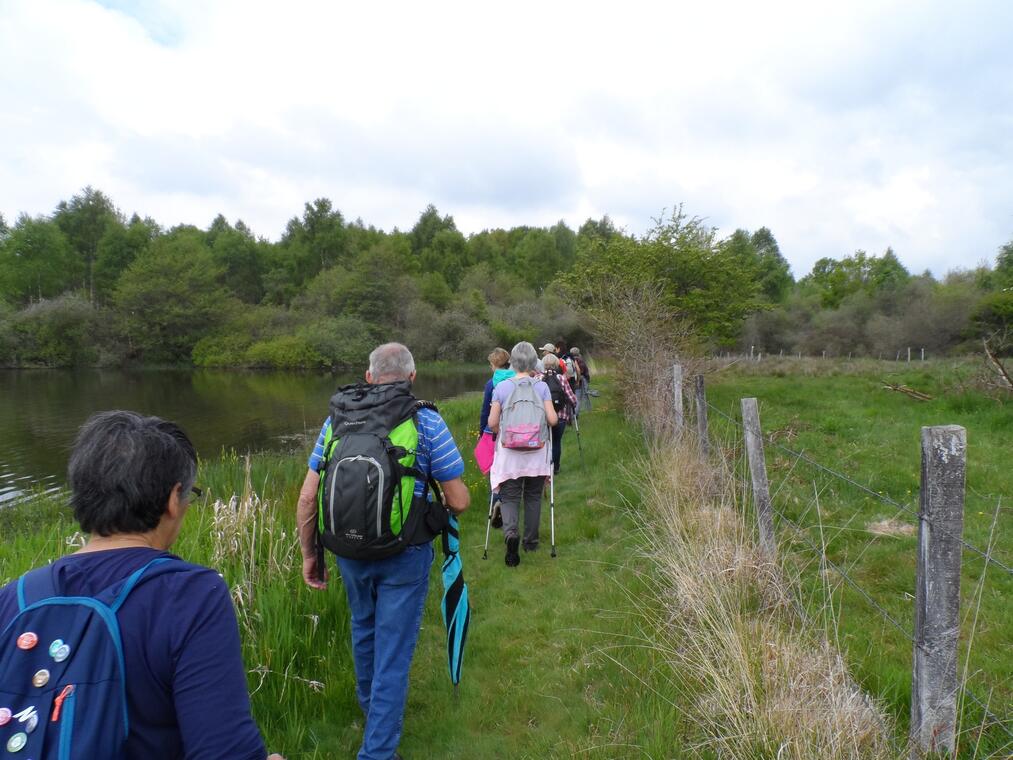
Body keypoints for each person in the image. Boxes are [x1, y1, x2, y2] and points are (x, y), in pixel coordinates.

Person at [0, 411, 282, 760]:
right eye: (189, 495)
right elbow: (224, 751)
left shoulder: (14, 597)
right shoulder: (191, 596)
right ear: (172, 499)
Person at [296, 342, 470, 760]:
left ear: (369, 376)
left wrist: (309, 555)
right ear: (412, 377)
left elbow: (307, 498)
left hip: (347, 551)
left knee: (364, 631)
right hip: (404, 554)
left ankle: (374, 718)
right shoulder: (425, 419)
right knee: (393, 652)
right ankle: (377, 752)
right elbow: (460, 500)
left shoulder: (336, 420)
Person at [488, 341, 558, 565]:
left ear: (513, 363)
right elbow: (553, 420)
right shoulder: (542, 387)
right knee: (533, 496)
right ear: (532, 363)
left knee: (509, 497)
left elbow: (491, 422)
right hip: (537, 453)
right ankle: (530, 542)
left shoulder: (502, 387)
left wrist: (502, 433)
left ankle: (511, 535)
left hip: (510, 454)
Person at [540, 353, 577, 474]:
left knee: (544, 442)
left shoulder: (537, 378)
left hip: (543, 417)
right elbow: (572, 399)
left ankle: (544, 467)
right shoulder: (561, 378)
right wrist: (573, 405)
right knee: (556, 442)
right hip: (560, 416)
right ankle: (555, 468)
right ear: (556, 364)